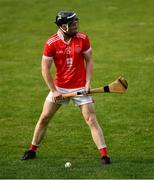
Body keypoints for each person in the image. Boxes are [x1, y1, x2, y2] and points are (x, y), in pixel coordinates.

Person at [21, 11, 111, 165]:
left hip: (80, 87)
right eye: (73, 24)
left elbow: (89, 61)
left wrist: (88, 83)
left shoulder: (83, 39)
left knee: (91, 119)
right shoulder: (51, 43)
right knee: (44, 118)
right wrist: (54, 90)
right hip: (60, 88)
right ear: (64, 26)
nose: (76, 25)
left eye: (76, 22)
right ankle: (32, 150)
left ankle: (104, 156)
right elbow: (45, 69)